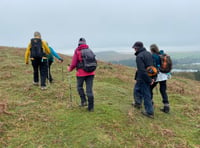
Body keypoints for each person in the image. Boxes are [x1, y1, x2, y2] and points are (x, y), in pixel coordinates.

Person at [67, 38, 95, 112]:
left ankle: (83, 101)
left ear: (79, 44)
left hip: (81, 73)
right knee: (89, 90)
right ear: (85, 43)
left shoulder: (77, 51)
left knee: (79, 87)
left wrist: (69, 69)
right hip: (91, 73)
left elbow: (73, 63)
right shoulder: (89, 50)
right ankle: (91, 107)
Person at [132, 41, 155, 118]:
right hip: (147, 77)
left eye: (135, 48)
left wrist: (149, 80)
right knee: (136, 89)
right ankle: (138, 103)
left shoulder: (139, 56)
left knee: (146, 94)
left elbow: (141, 70)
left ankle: (149, 112)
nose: (134, 49)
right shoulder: (148, 54)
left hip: (143, 78)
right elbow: (153, 67)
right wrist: (153, 78)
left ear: (138, 48)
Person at [150, 44, 171, 113]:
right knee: (163, 90)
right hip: (164, 75)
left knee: (149, 88)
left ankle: (150, 104)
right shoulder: (162, 55)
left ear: (151, 50)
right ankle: (166, 107)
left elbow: (153, 67)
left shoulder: (154, 56)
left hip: (157, 75)